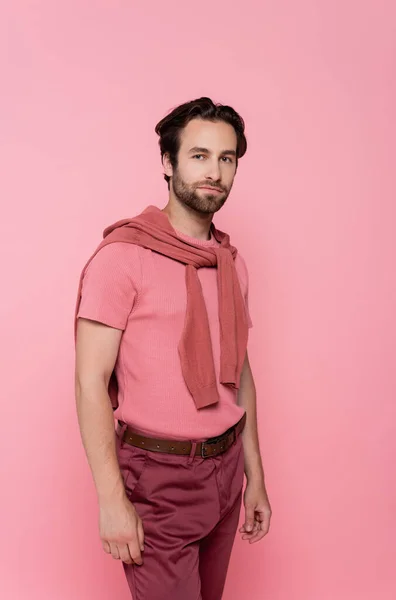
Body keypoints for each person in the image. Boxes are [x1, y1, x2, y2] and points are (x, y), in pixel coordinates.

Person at [74, 96, 272, 600]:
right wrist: (111, 500)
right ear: (168, 162)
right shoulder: (122, 258)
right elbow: (89, 381)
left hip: (226, 470)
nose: (215, 172)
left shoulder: (230, 263)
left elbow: (240, 370)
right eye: (199, 155)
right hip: (158, 476)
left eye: (226, 159)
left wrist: (254, 474)